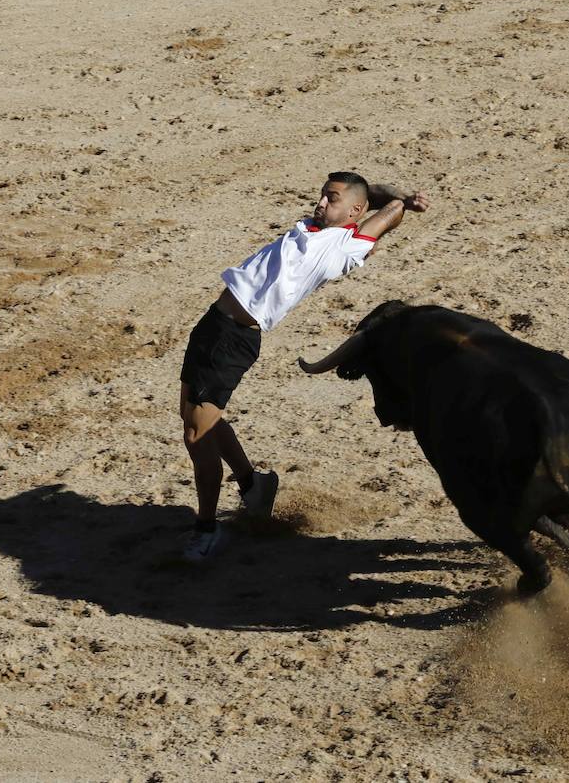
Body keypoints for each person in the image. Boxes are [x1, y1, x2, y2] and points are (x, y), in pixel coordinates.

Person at [177, 172, 429, 561]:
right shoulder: (315, 226)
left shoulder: (346, 247)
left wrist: (404, 203)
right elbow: (373, 192)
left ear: (357, 212)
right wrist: (397, 192)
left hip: (233, 340)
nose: (321, 203)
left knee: (197, 436)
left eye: (331, 199)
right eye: (323, 197)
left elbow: (388, 212)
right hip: (213, 325)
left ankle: (206, 528)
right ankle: (253, 485)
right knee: (196, 420)